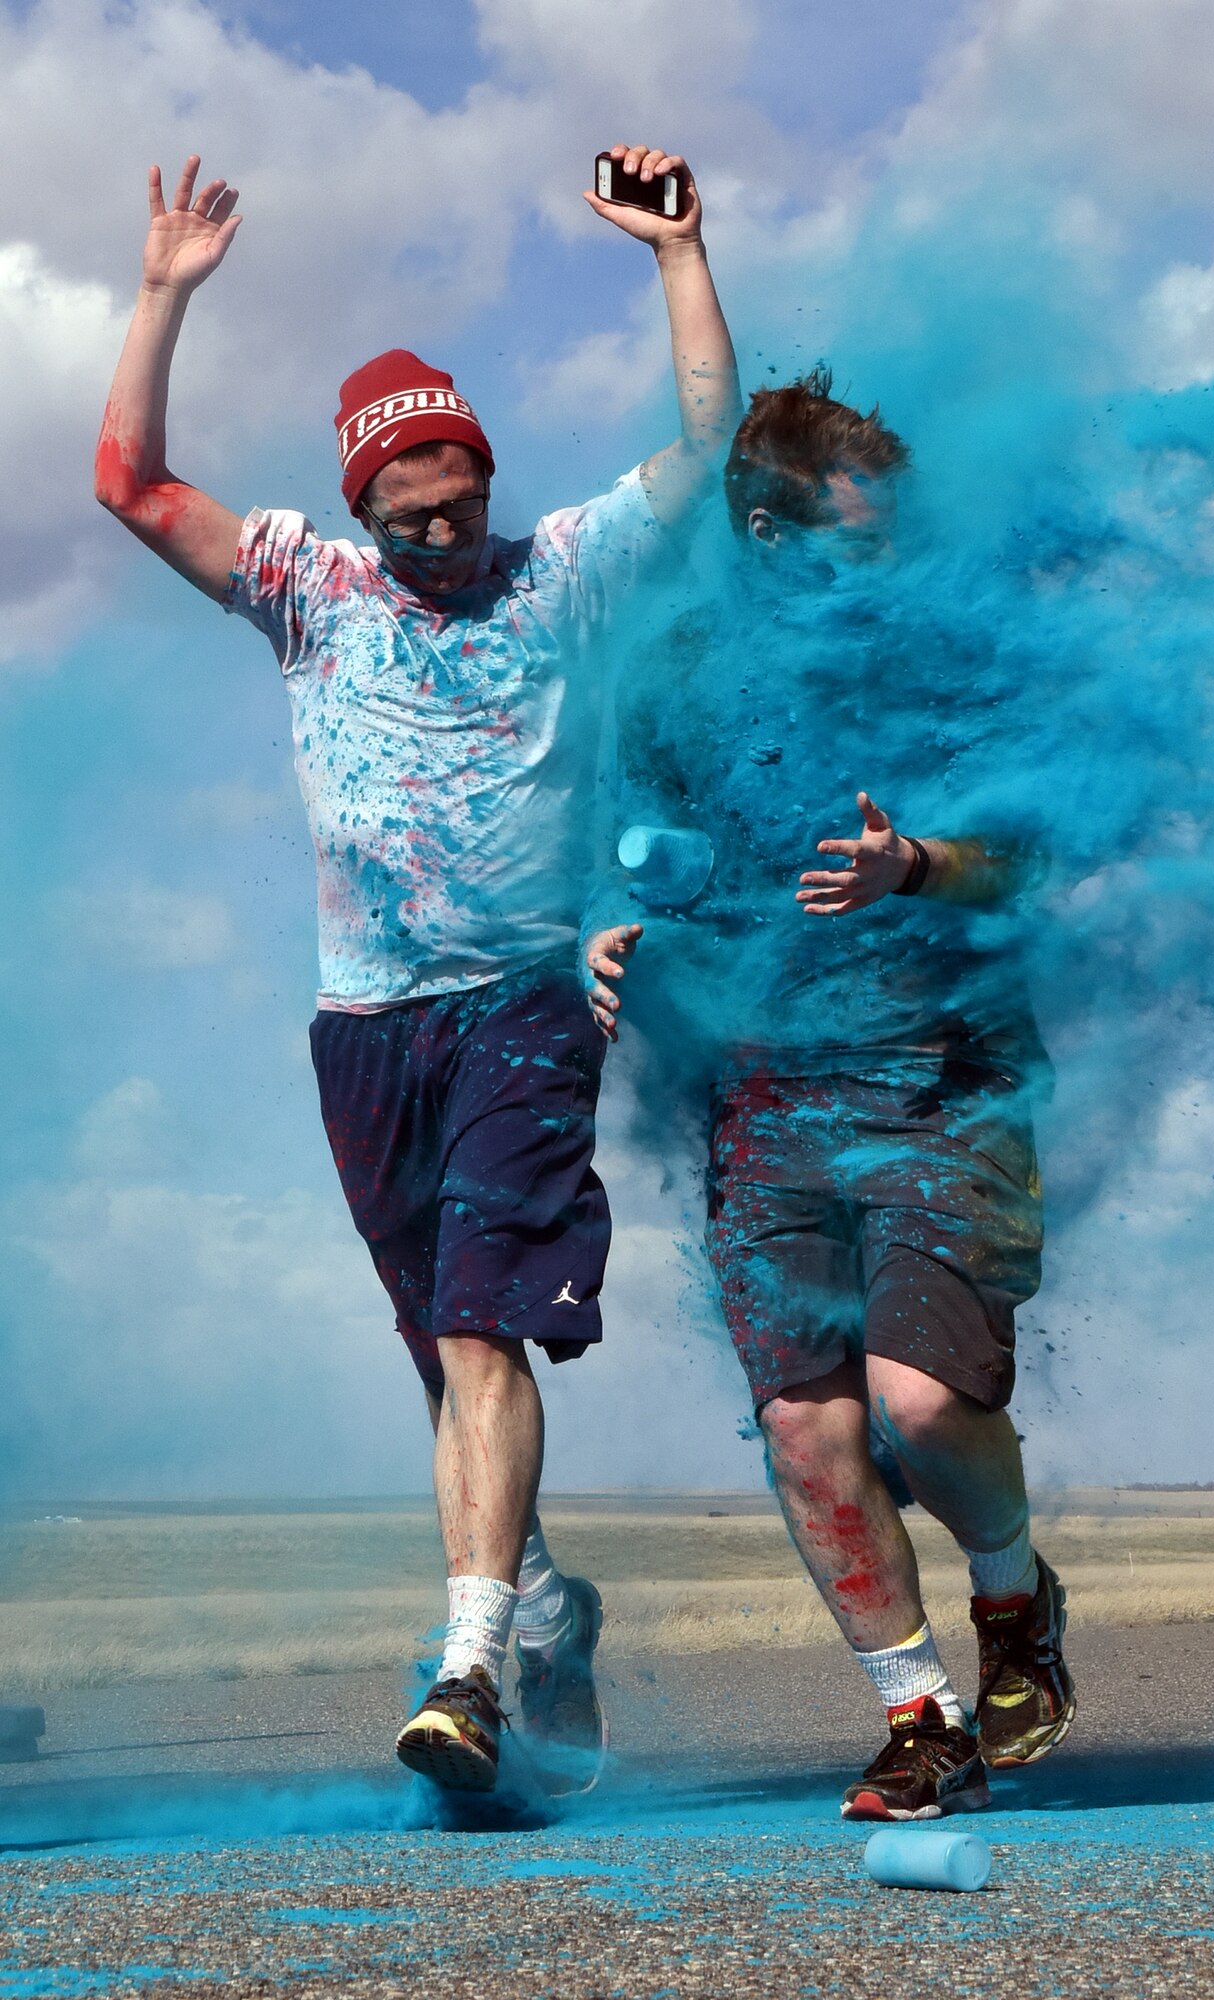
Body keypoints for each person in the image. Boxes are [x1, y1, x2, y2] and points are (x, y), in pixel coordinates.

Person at [96, 146, 740, 1795]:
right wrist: (163, 297)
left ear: (487, 476)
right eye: (412, 517)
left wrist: (677, 257)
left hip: (524, 1007)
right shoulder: (305, 588)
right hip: (364, 1028)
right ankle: (539, 1601)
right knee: (434, 1349)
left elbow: (704, 452)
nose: (445, 536)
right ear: (361, 508)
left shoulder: (562, 569)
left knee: (476, 1331)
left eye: (461, 504)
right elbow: (129, 483)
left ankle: (468, 1675)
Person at [584, 366, 1074, 1822]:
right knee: (808, 1430)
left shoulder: (951, 655)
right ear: (767, 533)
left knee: (918, 1405)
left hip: (945, 1079)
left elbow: (1032, 852)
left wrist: (915, 864)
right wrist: (611, 933)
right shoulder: (677, 672)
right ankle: (919, 1718)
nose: (891, 561)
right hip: (764, 1095)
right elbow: (636, 853)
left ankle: (1013, 1599)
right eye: (862, 541)